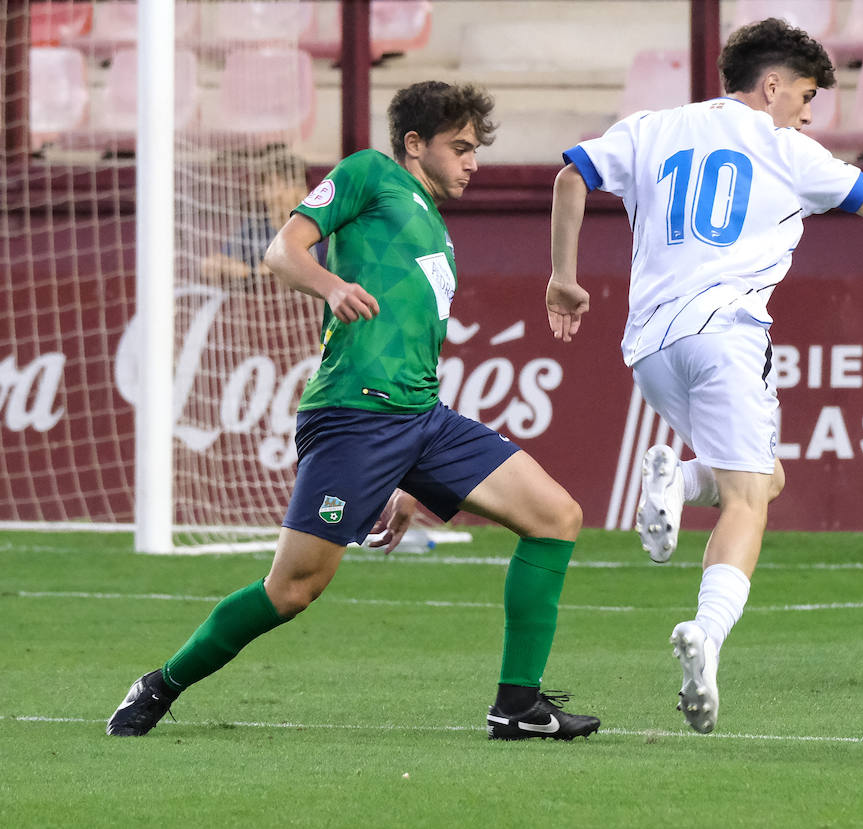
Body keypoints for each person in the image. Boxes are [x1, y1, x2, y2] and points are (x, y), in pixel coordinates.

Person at [107, 81, 600, 741]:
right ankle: (160, 683)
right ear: (414, 144)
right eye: (460, 148)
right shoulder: (369, 173)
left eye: (476, 149)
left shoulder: (433, 227)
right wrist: (333, 286)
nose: (472, 162)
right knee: (291, 591)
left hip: (421, 419)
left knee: (556, 516)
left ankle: (518, 704)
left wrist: (405, 476)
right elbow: (283, 250)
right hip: (354, 416)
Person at [546, 18, 863, 733]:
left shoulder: (650, 125)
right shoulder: (785, 147)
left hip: (648, 347)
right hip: (728, 335)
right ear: (769, 86)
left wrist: (562, 278)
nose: (808, 111)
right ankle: (706, 633)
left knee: (763, 476)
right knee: (749, 500)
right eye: (804, 95)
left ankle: (678, 478)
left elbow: (569, 177)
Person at [199, 148, 311, 284]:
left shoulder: (312, 227)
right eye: (263, 184)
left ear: (296, 188)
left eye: (270, 184)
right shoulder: (256, 225)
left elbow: (299, 269)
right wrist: (225, 266)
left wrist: (249, 272)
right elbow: (213, 263)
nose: (262, 192)